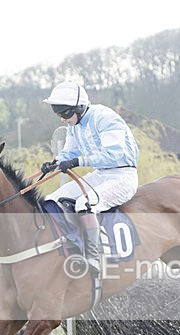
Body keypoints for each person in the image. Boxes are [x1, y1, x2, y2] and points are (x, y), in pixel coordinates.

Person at [40, 81, 139, 277]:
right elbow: (70, 151)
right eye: (59, 114)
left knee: (84, 204)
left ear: (79, 107)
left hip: (123, 175)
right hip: (100, 174)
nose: (62, 119)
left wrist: (78, 161)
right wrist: (55, 162)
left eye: (65, 114)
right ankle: (73, 245)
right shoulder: (75, 125)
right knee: (51, 200)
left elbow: (114, 155)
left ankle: (93, 257)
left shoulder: (106, 118)